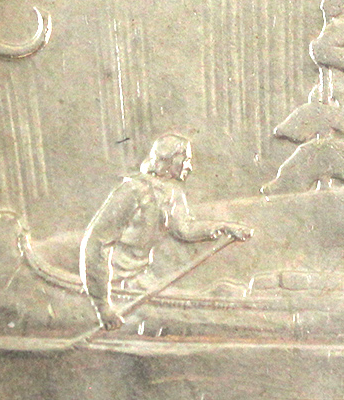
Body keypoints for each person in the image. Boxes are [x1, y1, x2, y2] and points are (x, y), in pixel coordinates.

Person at [79, 133, 250, 328]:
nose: (190, 167)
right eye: (185, 160)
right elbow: (96, 243)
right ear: (169, 160)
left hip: (140, 279)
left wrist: (225, 227)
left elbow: (185, 229)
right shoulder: (132, 190)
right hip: (113, 283)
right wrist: (102, 306)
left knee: (208, 299)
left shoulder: (172, 193)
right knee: (179, 316)